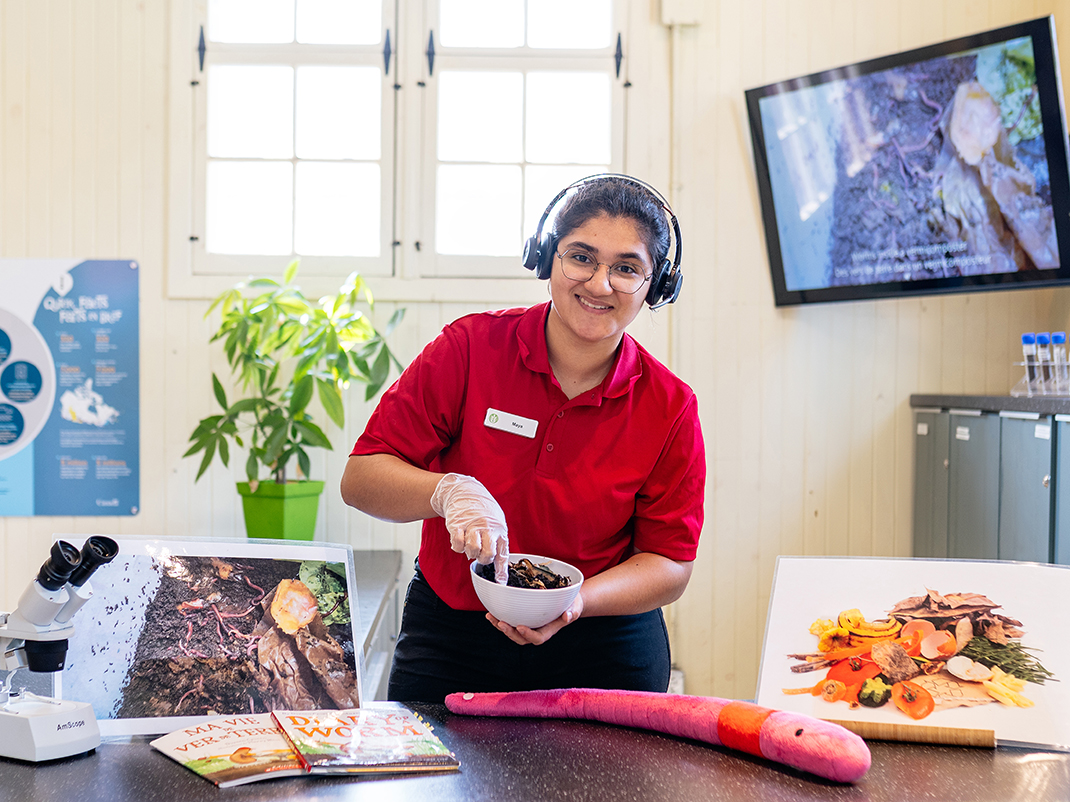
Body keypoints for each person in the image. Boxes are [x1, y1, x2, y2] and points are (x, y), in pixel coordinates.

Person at [340, 174, 705, 702]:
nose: (600, 284)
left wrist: (576, 601)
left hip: (602, 643)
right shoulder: (470, 348)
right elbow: (362, 477)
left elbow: (670, 563)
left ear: (656, 285)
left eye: (626, 268)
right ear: (547, 259)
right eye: (581, 256)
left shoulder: (670, 406)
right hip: (453, 636)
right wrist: (446, 492)